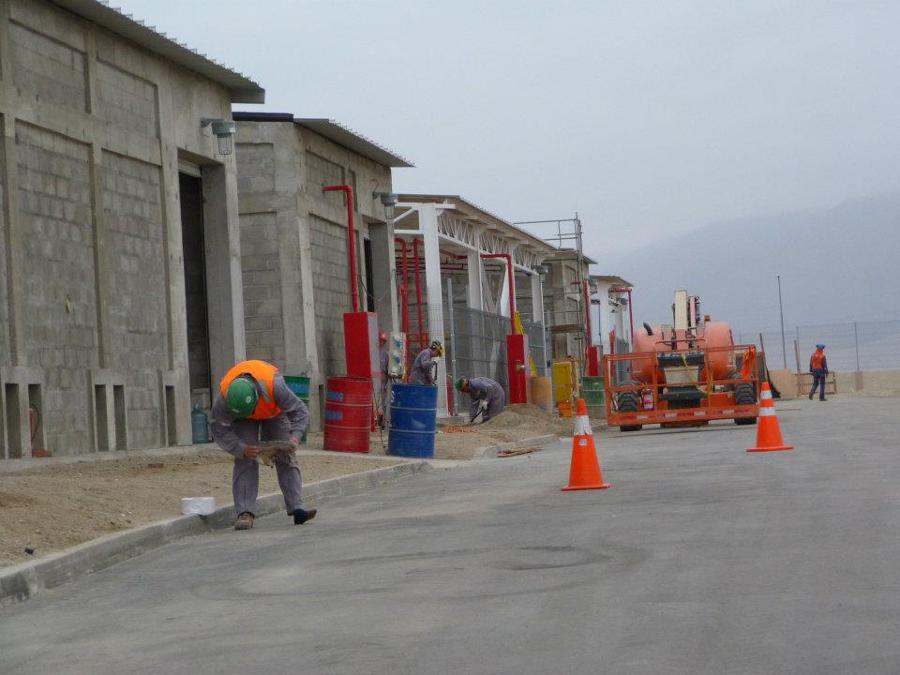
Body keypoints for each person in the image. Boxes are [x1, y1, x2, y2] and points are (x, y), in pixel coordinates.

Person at [209, 359, 317, 530]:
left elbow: (301, 412)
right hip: (241, 419)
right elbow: (218, 428)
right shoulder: (224, 397)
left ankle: (297, 507)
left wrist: (294, 438)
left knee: (285, 455)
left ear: (256, 395)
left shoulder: (275, 385)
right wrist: (240, 448)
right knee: (246, 458)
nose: (252, 415)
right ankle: (245, 512)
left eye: (251, 410)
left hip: (274, 412)